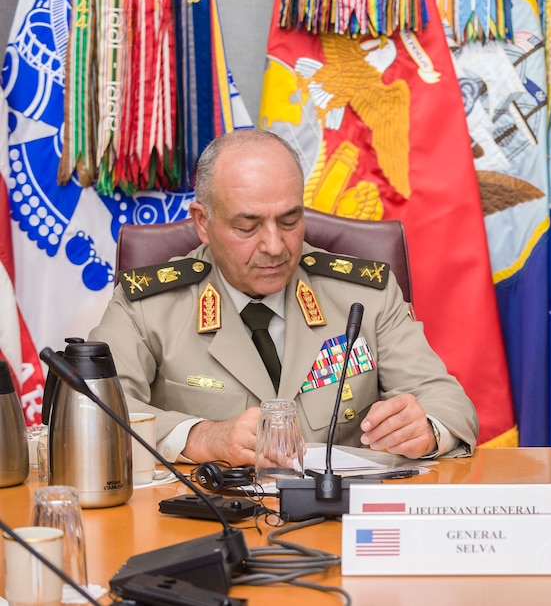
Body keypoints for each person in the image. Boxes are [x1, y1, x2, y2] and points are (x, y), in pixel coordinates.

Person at [90, 129, 478, 464]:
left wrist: (425, 428)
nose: (275, 246)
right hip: (208, 525)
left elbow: (448, 401)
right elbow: (94, 410)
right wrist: (202, 438)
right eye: (248, 226)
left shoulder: (365, 294)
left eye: (290, 221)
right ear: (202, 223)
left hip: (341, 520)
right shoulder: (148, 304)